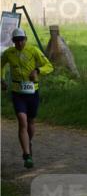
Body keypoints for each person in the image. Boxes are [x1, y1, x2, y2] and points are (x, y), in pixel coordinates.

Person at [1, 26, 54, 169]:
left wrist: (37, 70)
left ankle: (28, 143)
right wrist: (2, 79)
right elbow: (1, 65)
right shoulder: (8, 53)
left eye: (21, 40)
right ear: (12, 41)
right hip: (17, 93)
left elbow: (49, 66)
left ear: (26, 39)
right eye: (16, 41)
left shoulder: (33, 50)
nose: (19, 43)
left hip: (32, 92)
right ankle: (27, 155)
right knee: (22, 121)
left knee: (30, 122)